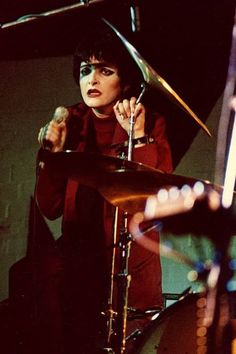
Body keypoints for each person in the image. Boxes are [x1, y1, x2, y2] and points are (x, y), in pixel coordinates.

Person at [35, 19, 173, 354]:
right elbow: (50, 207)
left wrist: (137, 137)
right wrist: (51, 154)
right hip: (78, 273)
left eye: (105, 70)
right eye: (85, 70)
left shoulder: (150, 120)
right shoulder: (70, 121)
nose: (92, 79)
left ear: (125, 80)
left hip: (129, 273)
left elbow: (153, 200)